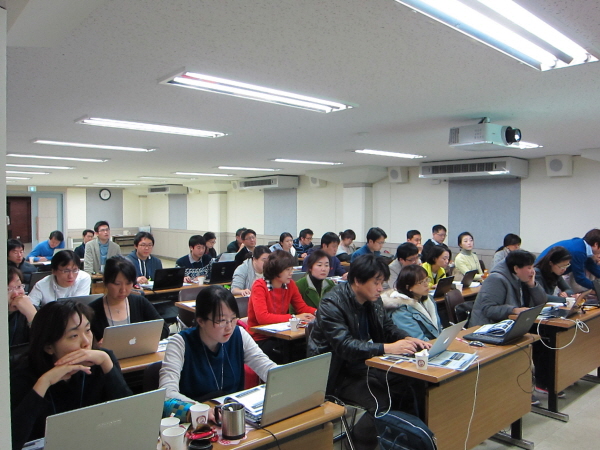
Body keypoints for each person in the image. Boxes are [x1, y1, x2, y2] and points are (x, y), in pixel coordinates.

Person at [307, 254, 430, 450]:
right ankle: (367, 443)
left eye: (382, 282)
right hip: (337, 374)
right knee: (380, 400)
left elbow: (387, 328)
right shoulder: (332, 303)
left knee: (411, 383)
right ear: (358, 280)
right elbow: (345, 346)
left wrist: (407, 338)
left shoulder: (373, 299)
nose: (380, 288)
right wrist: (387, 348)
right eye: (376, 282)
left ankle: (412, 440)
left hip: (365, 365)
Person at [10, 300, 131, 450]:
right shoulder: (24, 373)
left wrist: (107, 363)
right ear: (49, 347)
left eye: (88, 330)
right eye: (74, 336)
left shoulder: (102, 360)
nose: (86, 342)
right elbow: (11, 441)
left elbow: (129, 418)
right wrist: (44, 382)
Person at [159, 285, 276, 403]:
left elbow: (268, 368)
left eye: (233, 319)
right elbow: (167, 394)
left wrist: (283, 379)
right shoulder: (180, 343)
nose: (229, 327)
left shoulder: (239, 335)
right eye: (221, 321)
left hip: (233, 411)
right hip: (196, 412)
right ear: (201, 321)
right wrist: (200, 410)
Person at [247, 250, 316, 363]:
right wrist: (294, 317)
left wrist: (319, 313)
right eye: (287, 269)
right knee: (287, 354)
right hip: (260, 338)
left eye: (291, 269)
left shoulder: (290, 284)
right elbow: (262, 318)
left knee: (306, 347)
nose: (291, 273)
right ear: (276, 270)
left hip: (281, 335)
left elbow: (302, 308)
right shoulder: (259, 286)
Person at [89, 256, 169, 342]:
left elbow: (164, 329)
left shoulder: (140, 302)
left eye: (128, 283)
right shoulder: (92, 310)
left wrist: (141, 338)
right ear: (105, 281)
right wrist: (96, 346)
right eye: (117, 284)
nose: (123, 290)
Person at [470, 250, 547, 327]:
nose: (533, 272)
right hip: (487, 327)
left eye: (533, 267)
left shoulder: (521, 278)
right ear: (516, 268)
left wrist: (532, 285)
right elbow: (489, 309)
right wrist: (513, 310)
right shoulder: (496, 279)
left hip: (510, 324)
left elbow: (542, 302)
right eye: (529, 268)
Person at [382, 265, 441, 341]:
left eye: (427, 279)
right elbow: (417, 339)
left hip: (435, 343)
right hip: (422, 346)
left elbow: (438, 329)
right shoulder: (401, 310)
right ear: (409, 287)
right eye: (421, 282)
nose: (427, 284)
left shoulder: (428, 300)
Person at [7, 266, 37, 346]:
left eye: (19, 286)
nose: (16, 294)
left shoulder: (30, 308)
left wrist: (31, 315)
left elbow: (48, 343)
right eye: (8, 289)